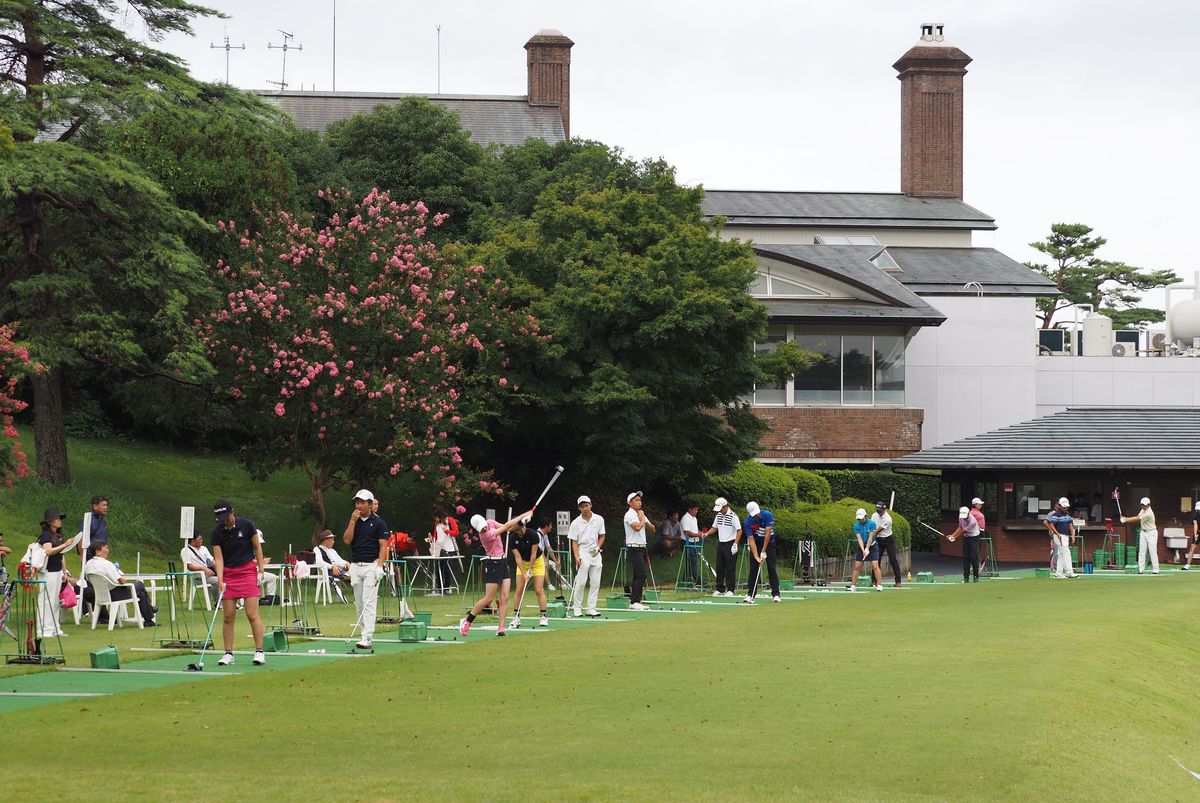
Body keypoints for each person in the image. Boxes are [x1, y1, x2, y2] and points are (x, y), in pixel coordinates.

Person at [210, 500, 267, 666]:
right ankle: (228, 654)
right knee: (228, 616)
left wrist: (261, 569)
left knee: (251, 613)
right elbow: (219, 558)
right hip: (229, 574)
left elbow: (257, 547)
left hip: (248, 572)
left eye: (226, 516)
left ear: (232, 511)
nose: (224, 520)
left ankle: (259, 652)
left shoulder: (247, 525)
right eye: (220, 517)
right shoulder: (217, 532)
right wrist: (220, 579)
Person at [459, 509, 532, 637]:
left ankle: (501, 627)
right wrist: (522, 515)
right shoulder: (485, 535)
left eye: (484, 526)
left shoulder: (490, 522)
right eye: (481, 529)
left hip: (503, 562)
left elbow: (509, 528)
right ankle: (467, 621)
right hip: (493, 564)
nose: (484, 529)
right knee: (489, 597)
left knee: (505, 597)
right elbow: (505, 527)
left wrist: (521, 523)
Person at [343, 489, 389, 650]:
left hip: (372, 565)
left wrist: (379, 566)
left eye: (362, 502)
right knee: (359, 603)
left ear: (370, 504)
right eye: (357, 502)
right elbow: (347, 540)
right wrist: (352, 521)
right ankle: (364, 633)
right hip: (356, 565)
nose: (359, 505)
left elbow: (383, 546)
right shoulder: (353, 520)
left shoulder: (379, 523)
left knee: (369, 602)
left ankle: (367, 636)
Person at [83, 541, 155, 627]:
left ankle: (149, 618)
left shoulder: (88, 564)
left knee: (141, 594)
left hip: (99, 594)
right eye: (105, 548)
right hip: (115, 595)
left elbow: (89, 579)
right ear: (98, 552)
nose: (108, 550)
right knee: (139, 584)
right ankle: (150, 613)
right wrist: (124, 580)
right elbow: (121, 581)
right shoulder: (106, 564)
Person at [35, 508, 79, 637]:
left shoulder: (58, 535)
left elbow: (61, 555)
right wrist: (64, 545)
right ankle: (43, 630)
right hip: (47, 571)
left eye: (59, 519)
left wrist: (64, 571)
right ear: (49, 521)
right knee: (46, 600)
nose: (59, 521)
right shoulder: (46, 535)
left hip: (57, 571)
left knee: (55, 601)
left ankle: (55, 628)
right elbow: (48, 551)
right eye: (57, 518)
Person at [510, 517, 552, 628]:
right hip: (522, 563)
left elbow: (534, 554)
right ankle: (516, 617)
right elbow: (518, 558)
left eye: (522, 527)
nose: (522, 531)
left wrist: (530, 570)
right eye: (518, 529)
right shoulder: (513, 539)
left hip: (537, 562)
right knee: (519, 590)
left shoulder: (533, 534)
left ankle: (543, 616)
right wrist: (524, 573)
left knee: (538, 590)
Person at [568, 495, 606, 618]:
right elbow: (574, 541)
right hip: (582, 551)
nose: (585, 508)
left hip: (595, 551)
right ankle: (577, 608)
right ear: (579, 508)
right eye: (582, 506)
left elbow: (602, 536)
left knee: (595, 582)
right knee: (581, 582)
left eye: (586, 505)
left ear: (590, 505)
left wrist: (598, 547)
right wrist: (576, 556)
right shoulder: (575, 523)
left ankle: (591, 608)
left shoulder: (599, 519)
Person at [701, 497, 741, 597]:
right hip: (721, 543)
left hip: (730, 543)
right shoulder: (719, 515)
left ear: (725, 506)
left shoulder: (733, 516)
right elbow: (715, 527)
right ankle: (720, 588)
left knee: (730, 567)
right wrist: (707, 534)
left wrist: (735, 544)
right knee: (720, 567)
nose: (719, 511)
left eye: (721, 509)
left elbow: (739, 530)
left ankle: (730, 589)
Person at [742, 501, 781, 603]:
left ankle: (776, 594)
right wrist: (756, 556)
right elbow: (751, 540)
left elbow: (768, 533)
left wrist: (764, 551)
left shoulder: (767, 515)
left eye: (757, 513)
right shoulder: (747, 523)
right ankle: (750, 594)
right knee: (753, 569)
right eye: (754, 514)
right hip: (756, 544)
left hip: (770, 543)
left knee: (771, 568)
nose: (756, 516)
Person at [623, 491, 655, 611]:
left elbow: (652, 528)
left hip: (642, 547)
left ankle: (635, 601)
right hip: (633, 547)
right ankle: (635, 601)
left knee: (638, 575)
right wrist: (642, 520)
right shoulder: (629, 514)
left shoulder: (640, 513)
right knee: (642, 575)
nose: (639, 502)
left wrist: (647, 523)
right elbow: (636, 527)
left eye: (640, 500)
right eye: (636, 500)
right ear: (629, 503)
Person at [1121, 497, 1160, 575]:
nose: (1143, 506)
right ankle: (1141, 569)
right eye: (1142, 505)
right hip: (1143, 532)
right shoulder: (1143, 510)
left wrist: (1126, 519)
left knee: (1152, 551)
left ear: (1148, 505)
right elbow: (1137, 516)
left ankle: (1156, 569)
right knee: (1142, 551)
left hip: (1152, 533)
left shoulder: (1149, 513)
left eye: (1144, 505)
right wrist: (1126, 519)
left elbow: (1138, 519)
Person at [847, 508, 880, 592]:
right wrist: (863, 550)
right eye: (859, 518)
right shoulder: (856, 526)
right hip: (862, 547)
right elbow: (859, 539)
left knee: (875, 566)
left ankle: (879, 584)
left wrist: (867, 548)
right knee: (857, 566)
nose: (860, 520)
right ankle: (853, 585)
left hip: (872, 546)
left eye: (861, 518)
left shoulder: (872, 523)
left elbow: (870, 537)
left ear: (865, 516)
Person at [180, 531, 220, 603]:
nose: (202, 540)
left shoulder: (204, 548)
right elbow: (189, 566)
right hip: (198, 577)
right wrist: (204, 569)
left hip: (209, 574)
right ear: (192, 540)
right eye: (199, 539)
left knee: (226, 578)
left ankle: (231, 602)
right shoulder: (185, 550)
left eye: (202, 538)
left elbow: (212, 560)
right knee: (217, 581)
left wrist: (219, 568)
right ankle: (218, 603)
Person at [1044, 497, 1078, 579]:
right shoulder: (1056, 514)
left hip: (1065, 536)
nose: (1065, 508)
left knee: (1061, 554)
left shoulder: (1067, 515)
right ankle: (1069, 572)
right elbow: (1051, 525)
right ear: (1059, 505)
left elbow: (1071, 525)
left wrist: (1073, 536)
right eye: (1064, 506)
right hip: (1059, 536)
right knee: (1066, 552)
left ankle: (1058, 573)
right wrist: (1057, 533)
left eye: (1066, 506)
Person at [429, 506, 460, 595]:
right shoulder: (436, 523)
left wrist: (447, 531)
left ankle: (447, 587)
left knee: (446, 569)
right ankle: (439, 588)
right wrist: (431, 539)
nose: (435, 519)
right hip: (439, 549)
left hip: (449, 549)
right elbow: (436, 535)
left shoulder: (449, 520)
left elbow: (456, 532)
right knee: (438, 568)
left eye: (436, 517)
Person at [872, 502, 902, 589]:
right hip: (878, 540)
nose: (879, 513)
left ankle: (898, 582)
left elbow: (878, 530)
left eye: (880, 511)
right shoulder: (874, 515)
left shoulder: (888, 519)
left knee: (893, 560)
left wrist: (871, 536)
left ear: (884, 510)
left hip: (888, 539)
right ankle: (874, 581)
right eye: (877, 511)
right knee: (876, 560)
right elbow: (872, 526)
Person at [948, 505, 981, 582]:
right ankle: (966, 577)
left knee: (974, 557)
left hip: (974, 538)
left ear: (968, 513)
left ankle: (976, 576)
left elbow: (964, 531)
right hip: (966, 538)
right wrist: (952, 535)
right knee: (966, 558)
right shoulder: (961, 517)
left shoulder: (972, 521)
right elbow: (960, 527)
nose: (964, 517)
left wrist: (954, 538)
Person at [680, 501, 703, 588]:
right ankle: (698, 580)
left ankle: (686, 581)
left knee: (691, 562)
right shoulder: (686, 518)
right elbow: (687, 532)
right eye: (695, 510)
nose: (696, 511)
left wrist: (701, 534)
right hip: (687, 542)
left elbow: (695, 530)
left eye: (697, 510)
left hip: (694, 542)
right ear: (690, 509)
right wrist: (698, 534)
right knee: (692, 561)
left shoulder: (694, 518)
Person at [1183, 502, 1200, 570]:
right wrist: (1196, 534)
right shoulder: (1195, 515)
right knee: (1192, 548)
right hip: (1198, 532)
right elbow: (1195, 525)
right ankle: (1188, 564)